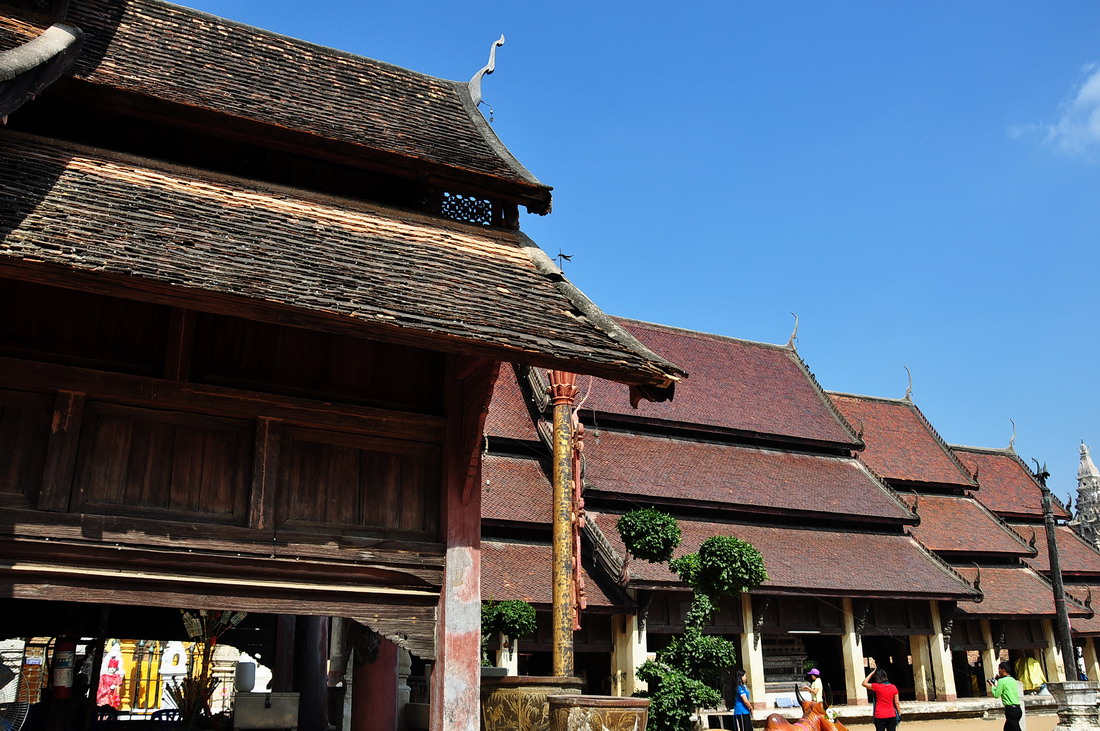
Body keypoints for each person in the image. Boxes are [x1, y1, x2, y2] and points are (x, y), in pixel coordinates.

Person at [990, 661, 1022, 731]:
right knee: (1007, 728)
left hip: (1011, 710)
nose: (998, 671)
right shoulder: (1013, 680)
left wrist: (992, 686)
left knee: (1015, 729)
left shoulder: (1001, 681)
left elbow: (996, 695)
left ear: (1003, 670)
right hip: (1017, 709)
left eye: (999, 669)